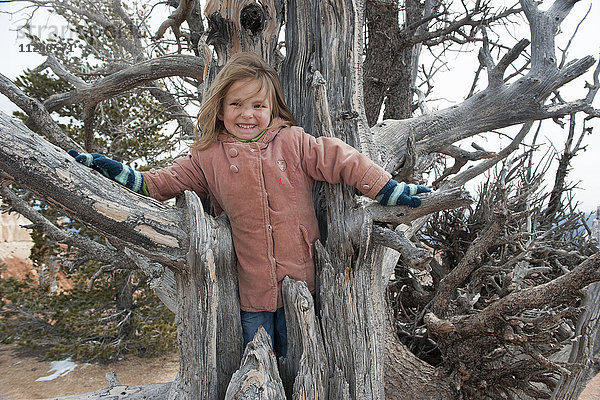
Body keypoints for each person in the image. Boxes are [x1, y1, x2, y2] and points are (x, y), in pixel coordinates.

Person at [69, 52, 430, 358]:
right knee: (256, 361)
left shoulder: (293, 142)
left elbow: (341, 158)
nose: (247, 114)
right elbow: (162, 182)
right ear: (221, 109)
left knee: (301, 361)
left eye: (258, 105)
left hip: (302, 285)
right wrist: (118, 172)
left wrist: (386, 189)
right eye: (237, 104)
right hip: (249, 292)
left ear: (272, 109)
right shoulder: (207, 156)